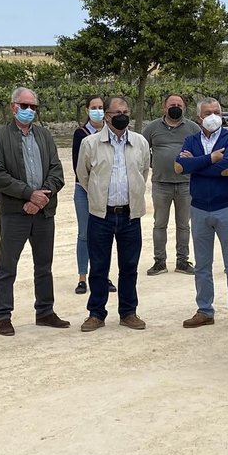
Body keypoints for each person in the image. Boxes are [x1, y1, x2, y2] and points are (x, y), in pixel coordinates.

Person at [0, 89, 69, 335]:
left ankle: (45, 311)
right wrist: (27, 194)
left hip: (43, 211)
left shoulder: (44, 135)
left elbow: (57, 171)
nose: (30, 110)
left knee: (44, 265)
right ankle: (3, 315)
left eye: (34, 106)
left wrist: (41, 197)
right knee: (8, 265)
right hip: (14, 212)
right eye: (25, 105)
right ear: (13, 107)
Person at [76, 97, 150, 332]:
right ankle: (96, 313)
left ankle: (128, 312)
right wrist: (99, 197)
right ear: (106, 116)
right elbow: (83, 176)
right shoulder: (90, 143)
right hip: (101, 216)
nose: (123, 116)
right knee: (99, 266)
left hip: (130, 215)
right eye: (117, 112)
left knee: (129, 266)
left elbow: (143, 172)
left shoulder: (140, 142)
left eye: (126, 111)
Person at [175, 99, 228, 330]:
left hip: (227, 207)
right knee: (203, 264)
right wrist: (211, 159)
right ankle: (205, 310)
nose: (213, 115)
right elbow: (179, 166)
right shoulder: (191, 139)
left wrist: (196, 164)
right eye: (208, 113)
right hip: (199, 209)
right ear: (198, 118)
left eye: (216, 112)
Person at [142, 95, 200, 276]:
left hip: (186, 184)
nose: (176, 107)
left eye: (179, 105)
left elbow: (201, 151)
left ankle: (182, 261)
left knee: (184, 225)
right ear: (164, 107)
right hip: (161, 183)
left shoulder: (193, 128)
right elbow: (142, 150)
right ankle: (159, 262)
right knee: (160, 224)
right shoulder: (152, 127)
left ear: (184, 107)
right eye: (172, 105)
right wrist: (155, 163)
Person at [71, 96, 115, 296]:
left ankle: (103, 275)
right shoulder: (80, 134)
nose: (97, 111)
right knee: (84, 234)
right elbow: (78, 167)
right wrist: (92, 189)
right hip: (84, 189)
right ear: (87, 110)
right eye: (93, 107)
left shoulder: (113, 133)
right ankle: (82, 277)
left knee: (104, 236)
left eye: (100, 108)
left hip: (107, 190)